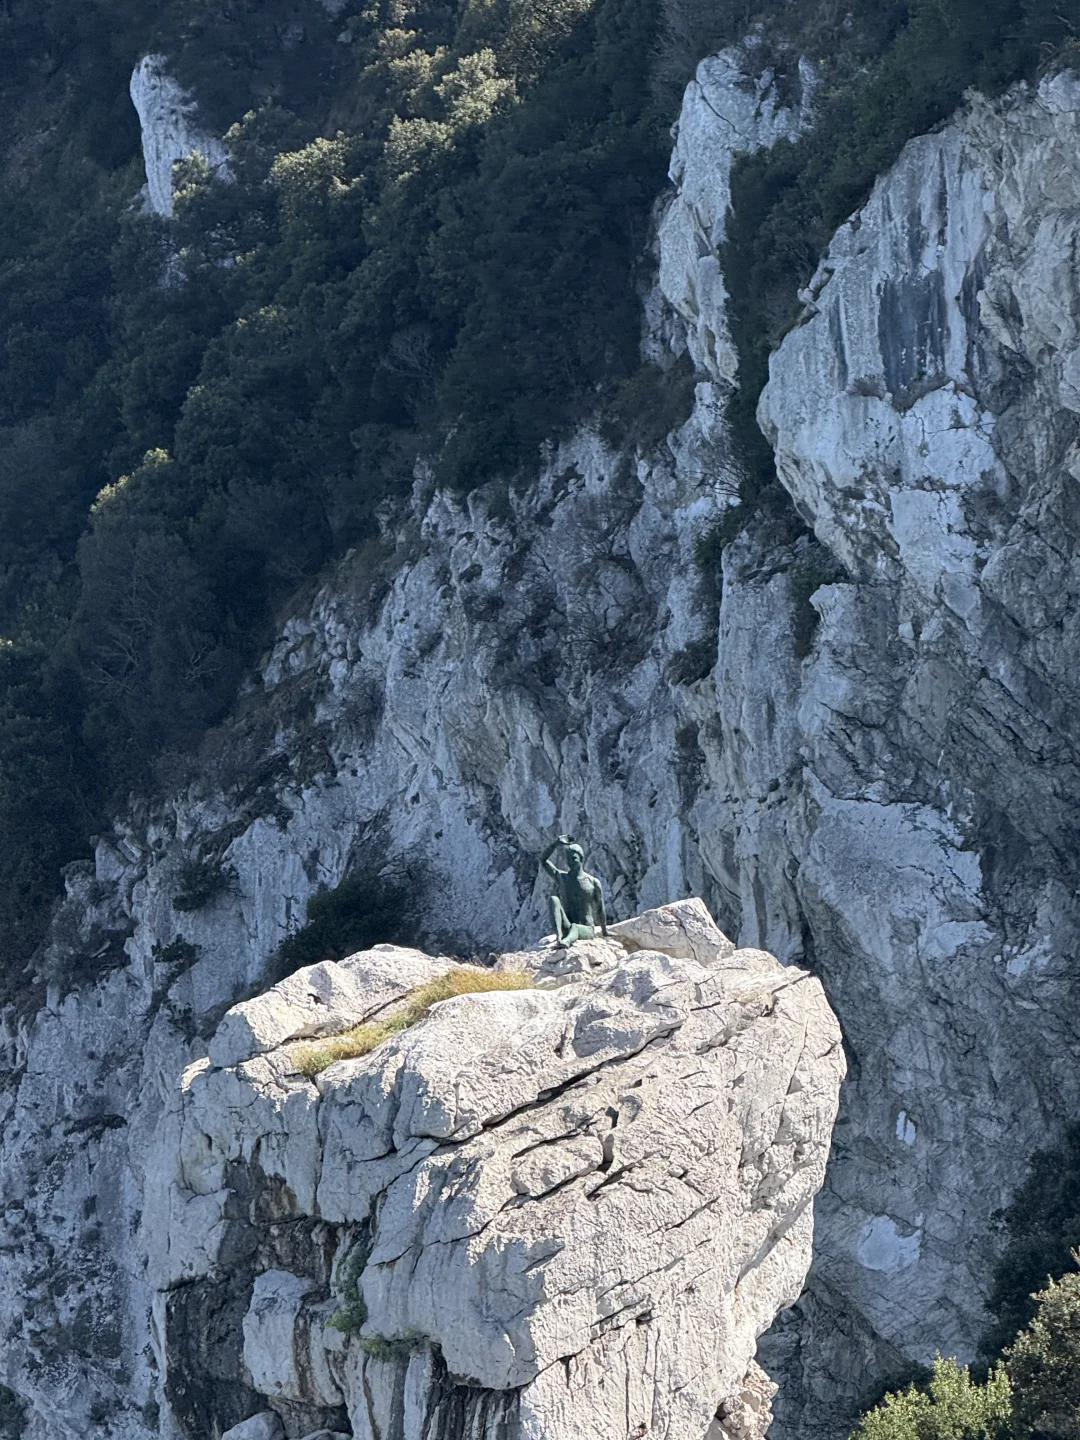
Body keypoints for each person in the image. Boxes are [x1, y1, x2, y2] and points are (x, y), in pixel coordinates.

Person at [540, 834, 609, 948]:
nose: (571, 862)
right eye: (568, 860)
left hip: (586, 929)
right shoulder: (563, 878)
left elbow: (600, 908)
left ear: (581, 859)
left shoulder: (592, 882)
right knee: (554, 899)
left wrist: (604, 930)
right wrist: (556, 844)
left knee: (575, 927)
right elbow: (543, 860)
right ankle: (559, 937)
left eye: (574, 859)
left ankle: (567, 941)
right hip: (568, 925)